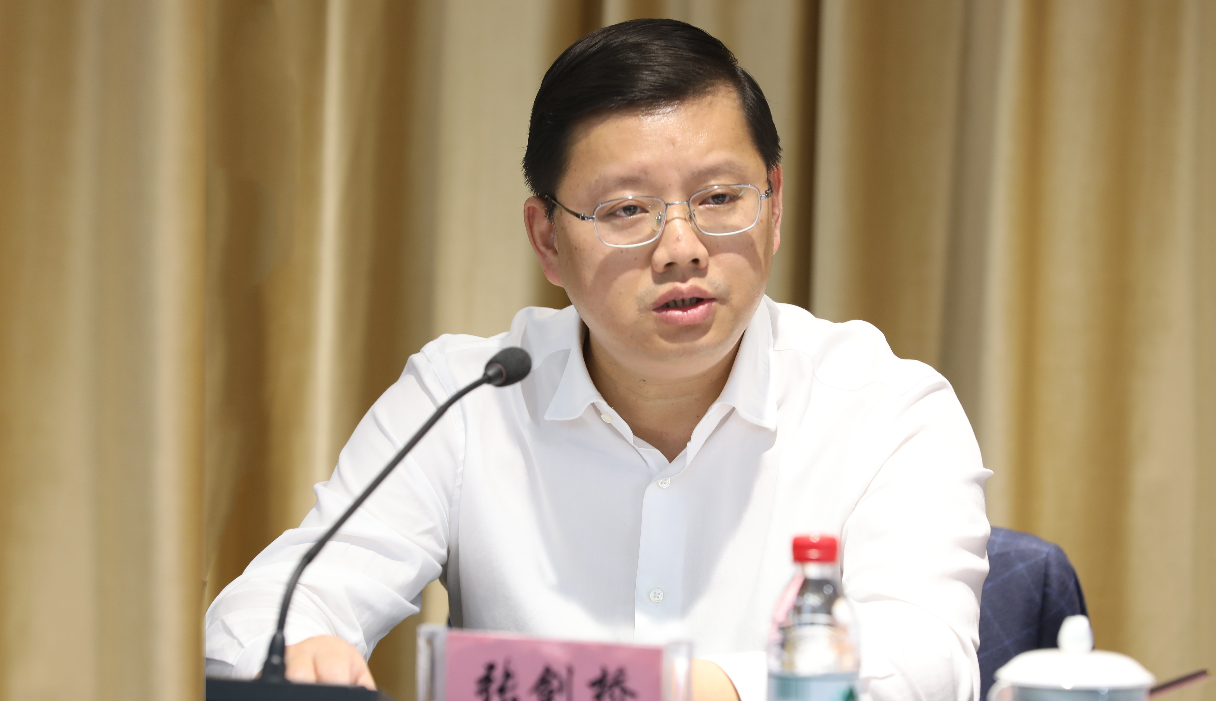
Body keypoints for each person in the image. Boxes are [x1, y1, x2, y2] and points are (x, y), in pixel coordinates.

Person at [205, 18, 991, 701]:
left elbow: (925, 664)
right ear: (547, 238)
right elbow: (258, 615)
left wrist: (680, 689)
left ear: (775, 204)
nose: (681, 248)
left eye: (720, 198)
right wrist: (300, 647)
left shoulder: (886, 409)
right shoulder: (467, 398)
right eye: (627, 210)